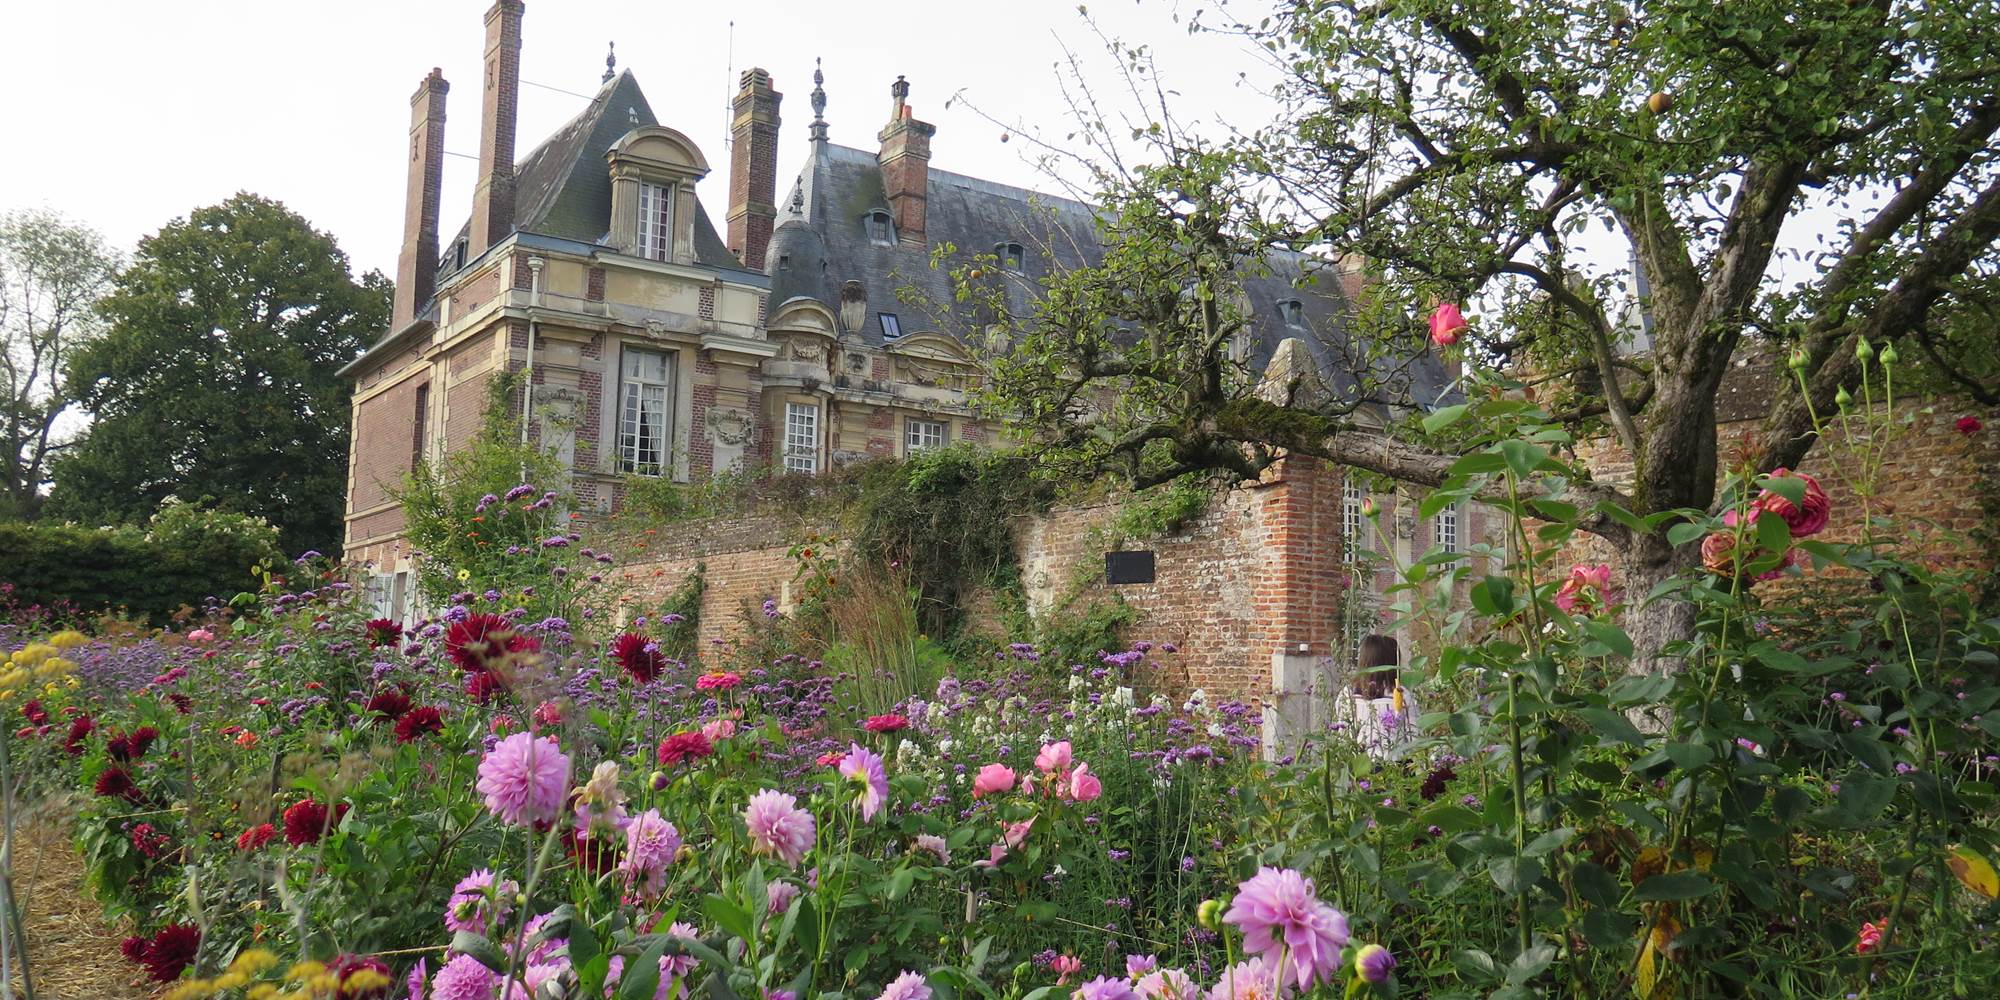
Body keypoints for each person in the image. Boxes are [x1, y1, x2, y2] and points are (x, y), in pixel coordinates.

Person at [1344, 634, 1417, 757]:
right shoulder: (1401, 693)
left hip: (1359, 764)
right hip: (1396, 765)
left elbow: (1343, 733)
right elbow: (1413, 735)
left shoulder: (1348, 693)